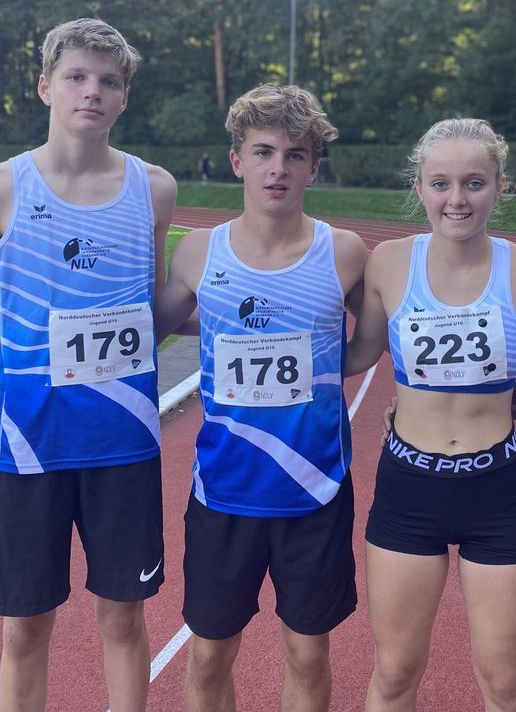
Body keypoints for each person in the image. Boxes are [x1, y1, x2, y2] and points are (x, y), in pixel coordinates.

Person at [0, 18, 177, 712]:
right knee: (23, 630)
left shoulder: (154, 190)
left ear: (124, 97)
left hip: (123, 446)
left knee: (123, 619)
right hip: (24, 446)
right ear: (45, 87)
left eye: (108, 81)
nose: (91, 92)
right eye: (76, 77)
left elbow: (151, 312)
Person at [152, 84, 369, 711]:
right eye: (264, 152)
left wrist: (507, 380)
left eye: (295, 155)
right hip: (224, 490)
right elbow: (145, 331)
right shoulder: (200, 251)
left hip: (315, 490)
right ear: (237, 161)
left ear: (313, 167)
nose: (279, 168)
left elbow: (389, 337)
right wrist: (27, 336)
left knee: (308, 654)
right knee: (209, 656)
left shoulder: (344, 252)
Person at [345, 118, 516, 711]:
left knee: (505, 682)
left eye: (474, 183)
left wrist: (502, 383)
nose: (457, 199)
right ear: (419, 186)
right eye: (440, 183)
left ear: (500, 186)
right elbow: (359, 354)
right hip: (408, 487)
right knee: (395, 674)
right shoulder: (388, 264)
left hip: (497, 490)